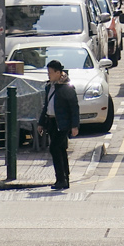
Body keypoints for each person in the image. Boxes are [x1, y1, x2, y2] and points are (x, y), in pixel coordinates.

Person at [39, 59, 79, 191]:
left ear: (58, 72)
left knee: (54, 148)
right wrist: (41, 123)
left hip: (62, 123)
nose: (48, 75)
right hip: (51, 122)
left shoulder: (66, 87)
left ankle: (61, 179)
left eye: (50, 72)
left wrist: (74, 126)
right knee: (61, 149)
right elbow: (46, 106)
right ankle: (63, 179)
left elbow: (74, 107)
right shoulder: (49, 86)